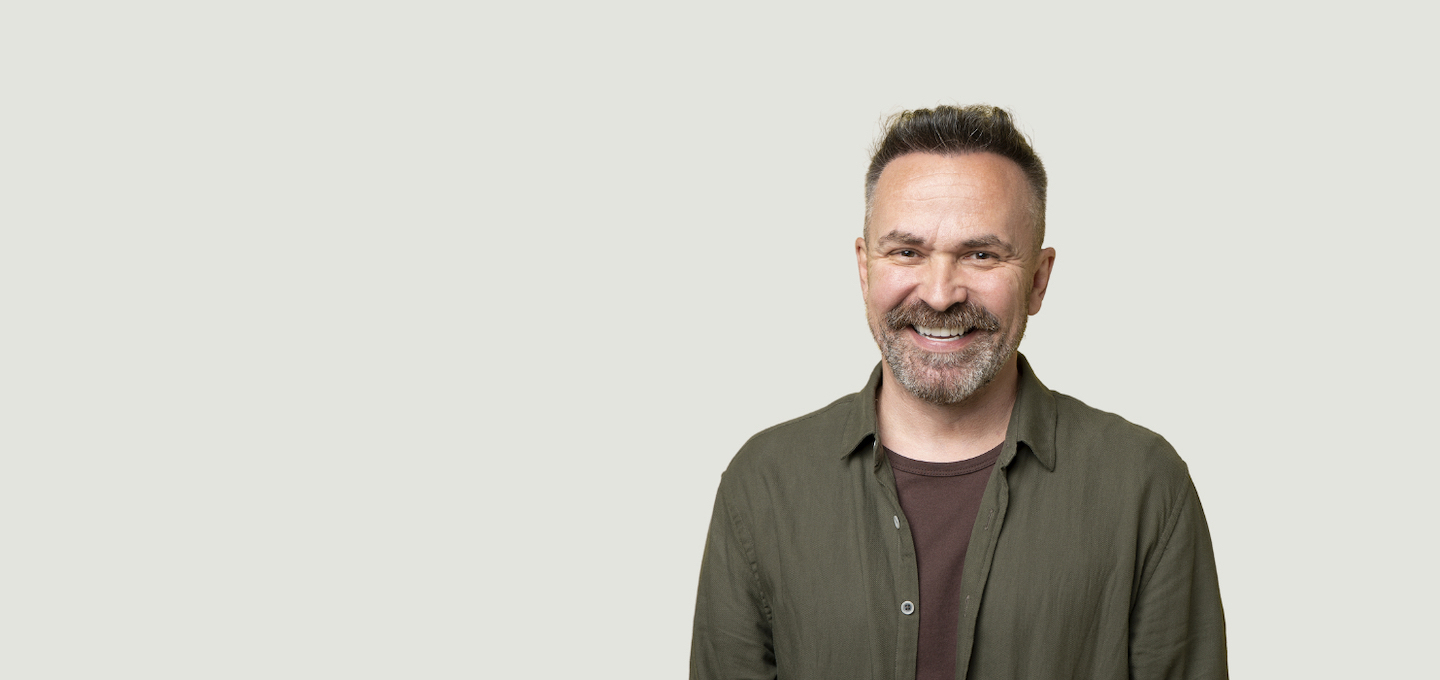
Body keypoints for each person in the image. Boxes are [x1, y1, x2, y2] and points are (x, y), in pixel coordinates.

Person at [690, 105, 1227, 680]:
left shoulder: (1143, 486)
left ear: (1039, 279)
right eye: (907, 252)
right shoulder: (763, 485)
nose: (941, 294)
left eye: (981, 255)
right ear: (865, 270)